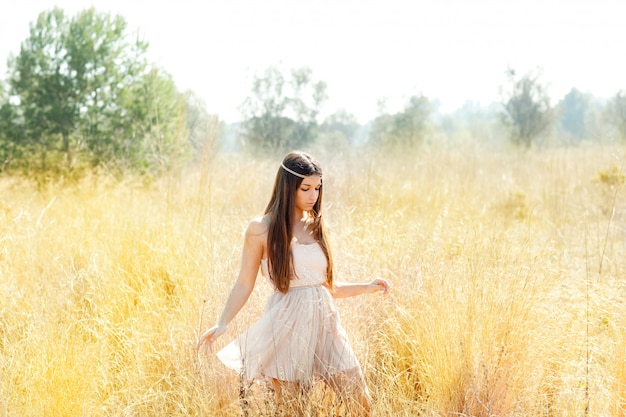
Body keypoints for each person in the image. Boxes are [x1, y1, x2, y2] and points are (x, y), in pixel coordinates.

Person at [196, 151, 391, 416]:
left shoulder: (317, 225)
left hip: (327, 328)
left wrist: (366, 286)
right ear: (288, 187)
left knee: (361, 402)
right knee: (293, 410)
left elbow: (324, 285)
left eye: (318, 188)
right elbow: (244, 282)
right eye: (306, 188)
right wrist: (223, 322)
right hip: (286, 326)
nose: (314, 196)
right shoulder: (261, 228)